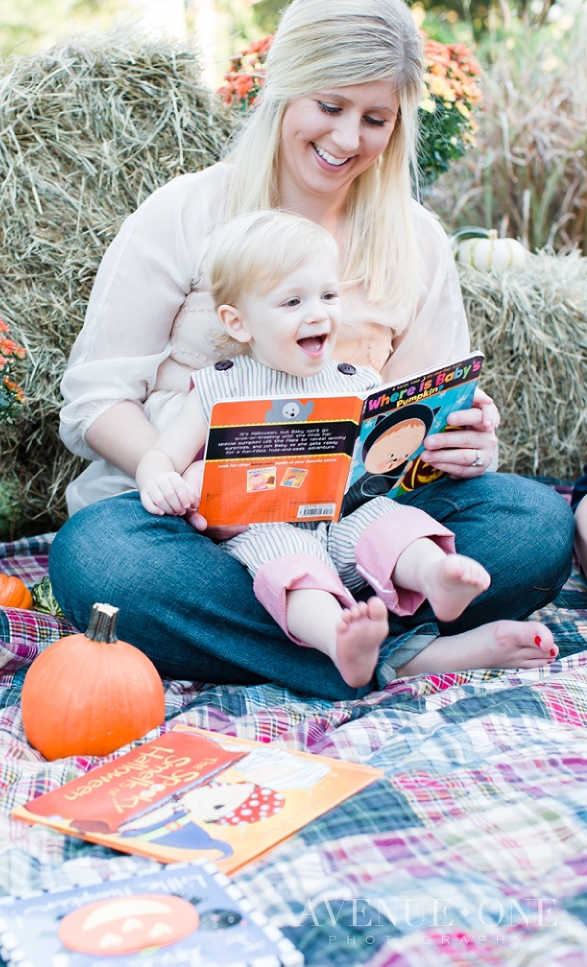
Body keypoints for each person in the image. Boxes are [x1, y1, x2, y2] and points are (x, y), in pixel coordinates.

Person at [49, 0, 574, 699]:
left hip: (355, 528)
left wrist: (467, 444)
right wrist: (162, 475)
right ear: (283, 86)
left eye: (374, 119)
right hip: (197, 536)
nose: (345, 139)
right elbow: (95, 397)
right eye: (329, 106)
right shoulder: (186, 211)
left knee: (535, 524)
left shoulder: (415, 239)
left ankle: (343, 640)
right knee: (102, 562)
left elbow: (416, 414)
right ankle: (405, 654)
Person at [135, 209, 491, 688]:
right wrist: (160, 482)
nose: (319, 313)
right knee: (291, 569)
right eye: (292, 302)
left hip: (345, 516)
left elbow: (382, 458)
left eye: (328, 295)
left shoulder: (357, 384)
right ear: (238, 322)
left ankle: (435, 576)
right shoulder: (221, 388)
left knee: (389, 522)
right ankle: (340, 641)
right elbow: (162, 456)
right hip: (265, 526)